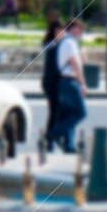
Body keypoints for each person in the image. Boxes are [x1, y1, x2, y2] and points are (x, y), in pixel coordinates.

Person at [51, 19, 88, 154]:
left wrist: (82, 53)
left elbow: (81, 62)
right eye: (80, 29)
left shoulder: (67, 43)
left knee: (69, 114)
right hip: (71, 81)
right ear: (72, 29)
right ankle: (55, 133)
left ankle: (70, 146)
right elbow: (75, 65)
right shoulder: (70, 43)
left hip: (65, 82)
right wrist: (83, 84)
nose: (81, 32)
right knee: (81, 113)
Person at [39, 19, 62, 151]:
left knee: (54, 111)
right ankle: (50, 138)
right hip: (52, 82)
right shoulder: (53, 46)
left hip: (49, 81)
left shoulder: (50, 44)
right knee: (54, 112)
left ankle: (51, 138)